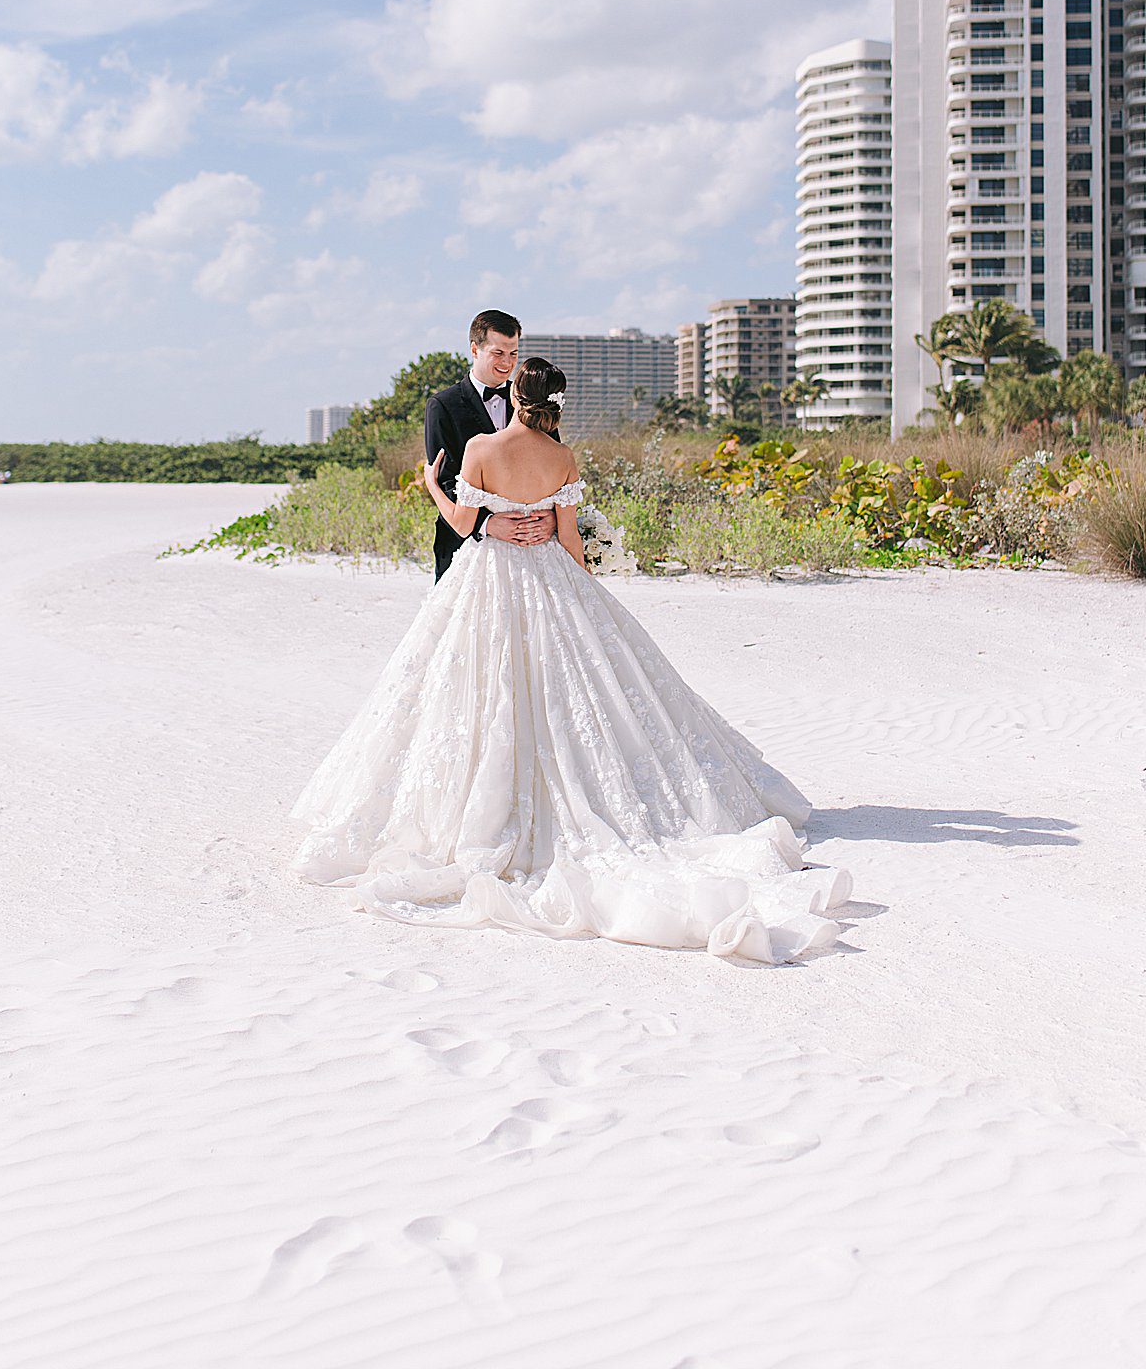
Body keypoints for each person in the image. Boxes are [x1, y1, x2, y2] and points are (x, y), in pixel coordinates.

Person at [284, 354, 855, 966]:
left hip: (491, 578)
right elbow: (569, 537)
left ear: (513, 390)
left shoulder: (478, 446)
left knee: (478, 687)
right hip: (550, 576)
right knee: (583, 693)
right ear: (555, 401)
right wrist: (584, 593)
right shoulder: (561, 457)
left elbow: (460, 520)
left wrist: (433, 483)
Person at [423, 308, 556, 581]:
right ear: (475, 349)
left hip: (532, 550)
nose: (507, 363)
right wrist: (488, 524)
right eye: (498, 353)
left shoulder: (532, 401)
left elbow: (553, 465)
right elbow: (447, 480)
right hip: (467, 548)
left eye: (514, 353)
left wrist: (552, 520)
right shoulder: (442, 406)